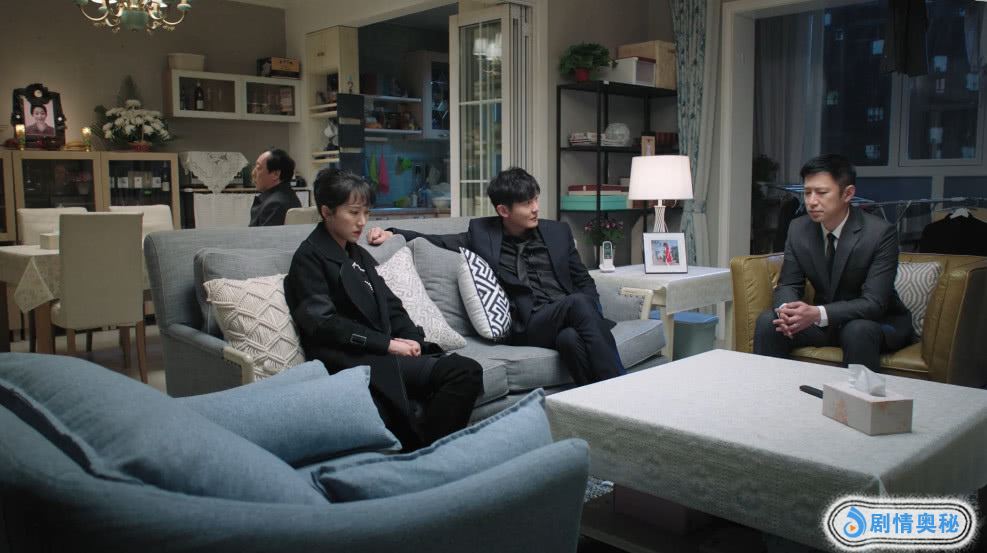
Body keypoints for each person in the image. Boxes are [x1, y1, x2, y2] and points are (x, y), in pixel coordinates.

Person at [284, 168, 483, 450]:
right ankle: (426, 455)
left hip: (381, 353)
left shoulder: (356, 252)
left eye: (366, 212)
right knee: (463, 372)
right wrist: (388, 344)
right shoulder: (309, 258)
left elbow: (391, 305)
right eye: (353, 212)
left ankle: (425, 452)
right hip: (351, 360)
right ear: (327, 212)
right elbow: (323, 323)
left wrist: (412, 339)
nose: (362, 222)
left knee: (463, 370)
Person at [368, 167, 624, 385]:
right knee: (578, 302)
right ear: (503, 210)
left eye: (536, 199)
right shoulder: (483, 234)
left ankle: (595, 405)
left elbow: (582, 280)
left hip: (567, 317)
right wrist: (393, 233)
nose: (536, 208)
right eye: (527, 203)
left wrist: (594, 317)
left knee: (569, 339)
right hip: (528, 324)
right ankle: (621, 388)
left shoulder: (558, 231)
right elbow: (439, 240)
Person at [753, 153, 912, 370]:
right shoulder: (799, 229)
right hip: (824, 324)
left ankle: (857, 394)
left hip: (874, 322)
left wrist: (817, 313)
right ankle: (768, 388)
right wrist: (787, 312)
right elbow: (789, 284)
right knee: (768, 322)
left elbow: (874, 303)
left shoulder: (880, 233)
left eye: (821, 193)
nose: (811, 201)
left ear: (848, 194)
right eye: (807, 192)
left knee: (857, 330)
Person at [248, 148, 301, 226]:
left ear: (276, 174)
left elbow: (264, 234)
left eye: (258, 168)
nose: (253, 173)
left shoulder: (274, 205)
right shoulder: (289, 195)